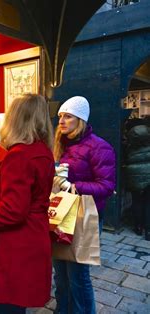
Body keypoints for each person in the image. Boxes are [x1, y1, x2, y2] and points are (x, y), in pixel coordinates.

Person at [0, 94, 55, 313]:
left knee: (7, 307)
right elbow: (28, 196)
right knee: (17, 305)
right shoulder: (42, 152)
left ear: (15, 119)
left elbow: (12, 212)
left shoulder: (20, 156)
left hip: (16, 247)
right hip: (32, 240)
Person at [52, 96, 116, 313]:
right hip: (62, 214)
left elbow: (107, 185)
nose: (61, 121)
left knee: (78, 275)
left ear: (80, 119)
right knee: (60, 272)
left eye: (68, 116)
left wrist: (73, 186)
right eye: (60, 116)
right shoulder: (61, 145)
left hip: (83, 216)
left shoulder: (99, 147)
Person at [123, 112, 150, 238]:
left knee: (137, 202)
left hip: (135, 177)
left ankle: (138, 227)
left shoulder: (129, 146)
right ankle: (148, 229)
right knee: (147, 202)